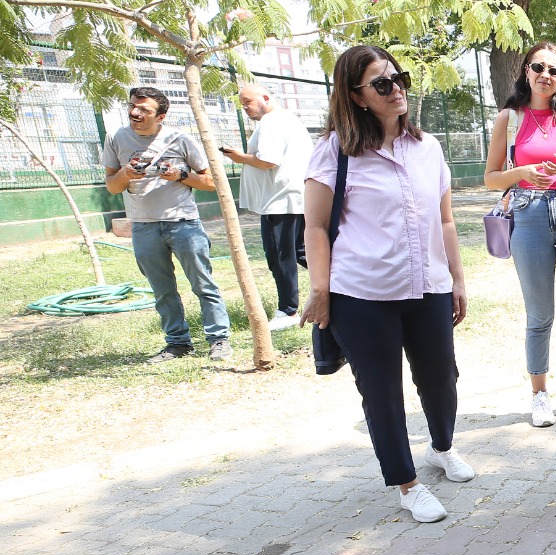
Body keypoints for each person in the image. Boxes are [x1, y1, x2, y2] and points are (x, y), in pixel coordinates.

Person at [301, 45, 476, 524]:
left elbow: (444, 222)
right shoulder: (335, 151)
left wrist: (457, 279)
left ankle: (442, 446)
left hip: (429, 287)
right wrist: (320, 289)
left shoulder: (428, 148)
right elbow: (315, 226)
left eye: (399, 78)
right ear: (356, 97)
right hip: (363, 294)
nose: (396, 88)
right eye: (382, 83)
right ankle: (406, 483)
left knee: (441, 377)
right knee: (381, 391)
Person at [484, 41, 556, 427]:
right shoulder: (509, 118)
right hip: (528, 214)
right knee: (539, 315)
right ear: (526, 70)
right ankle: (540, 396)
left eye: (554, 70)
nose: (545, 76)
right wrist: (521, 174)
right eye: (538, 67)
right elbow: (490, 178)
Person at [102, 87, 232, 362]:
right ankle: (177, 344)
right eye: (132, 106)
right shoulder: (116, 137)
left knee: (203, 284)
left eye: (144, 109)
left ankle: (219, 339)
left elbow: (210, 182)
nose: (135, 113)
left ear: (160, 116)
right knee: (162, 291)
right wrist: (125, 173)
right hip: (143, 226)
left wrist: (179, 175)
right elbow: (112, 186)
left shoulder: (180, 139)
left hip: (182, 222)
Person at [223, 83, 313, 331]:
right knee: (303, 252)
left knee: (280, 256)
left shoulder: (271, 121)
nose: (246, 109)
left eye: (247, 103)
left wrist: (237, 156)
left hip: (280, 200)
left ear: (265, 97)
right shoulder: (289, 120)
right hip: (294, 197)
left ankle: (288, 310)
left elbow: (266, 160)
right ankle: (343, 286)